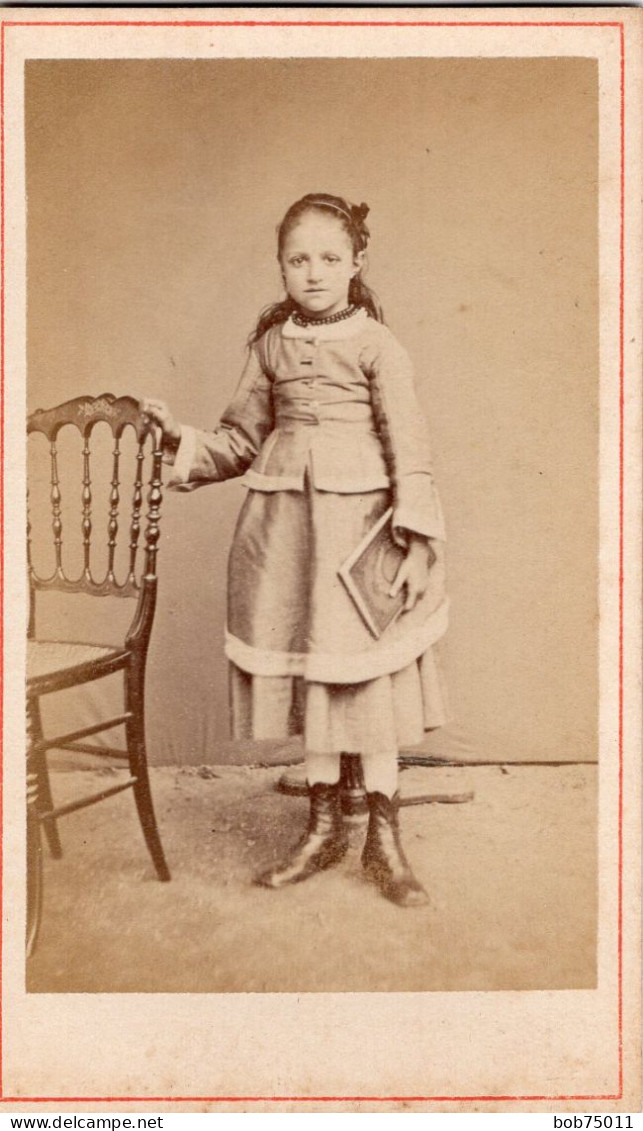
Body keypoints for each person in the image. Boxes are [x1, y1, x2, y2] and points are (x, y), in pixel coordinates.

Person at [141, 192, 448, 908]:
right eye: (297, 259)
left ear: (356, 262)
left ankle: (382, 834)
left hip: (359, 538)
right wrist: (174, 437)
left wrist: (414, 543)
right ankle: (320, 827)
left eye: (329, 258)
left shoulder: (378, 345)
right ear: (280, 265)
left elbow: (412, 449)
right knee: (315, 675)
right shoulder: (269, 344)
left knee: (362, 680)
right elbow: (240, 440)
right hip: (283, 538)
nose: (313, 273)